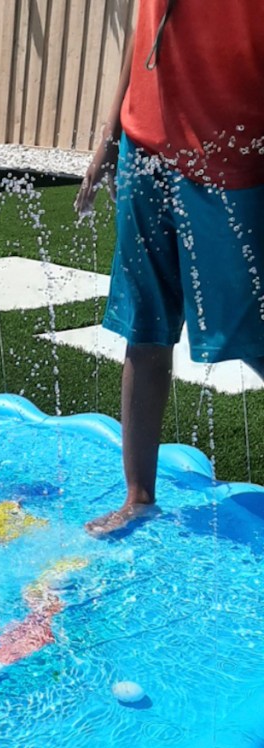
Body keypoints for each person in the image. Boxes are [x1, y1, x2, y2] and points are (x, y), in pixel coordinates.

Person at [75, 0, 264, 535]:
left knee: (251, 334)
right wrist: (110, 140)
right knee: (145, 326)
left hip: (232, 152)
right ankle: (138, 497)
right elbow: (143, 33)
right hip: (145, 147)